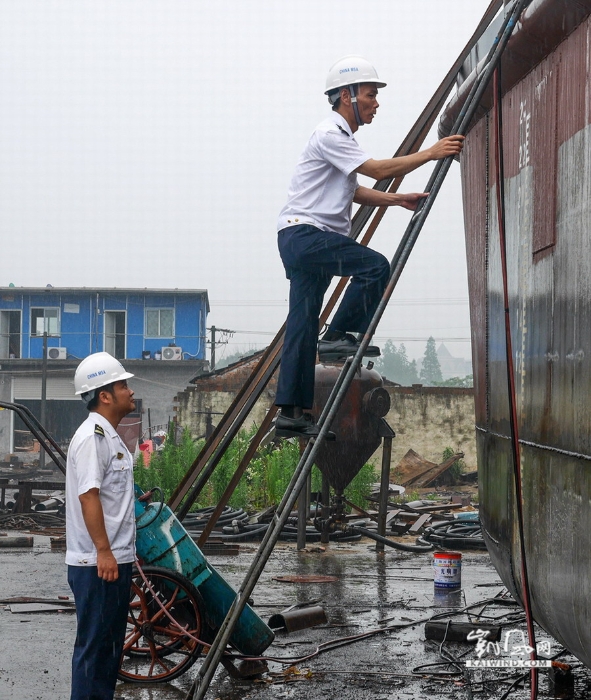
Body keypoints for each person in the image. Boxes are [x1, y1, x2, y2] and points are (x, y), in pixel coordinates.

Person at [274, 55, 464, 440]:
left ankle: (291, 415)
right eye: (370, 94)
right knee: (375, 267)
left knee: (301, 328)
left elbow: (354, 189)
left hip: (301, 240)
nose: (376, 103)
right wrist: (432, 152)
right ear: (346, 96)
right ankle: (339, 336)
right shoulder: (330, 134)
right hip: (307, 237)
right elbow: (376, 170)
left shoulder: (341, 141)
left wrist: (396, 200)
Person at [65, 351, 136, 700]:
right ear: (104, 395)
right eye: (123, 385)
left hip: (113, 561)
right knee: (94, 651)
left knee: (109, 651)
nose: (130, 391)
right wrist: (104, 551)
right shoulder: (92, 437)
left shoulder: (109, 435)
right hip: (97, 564)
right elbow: (89, 496)